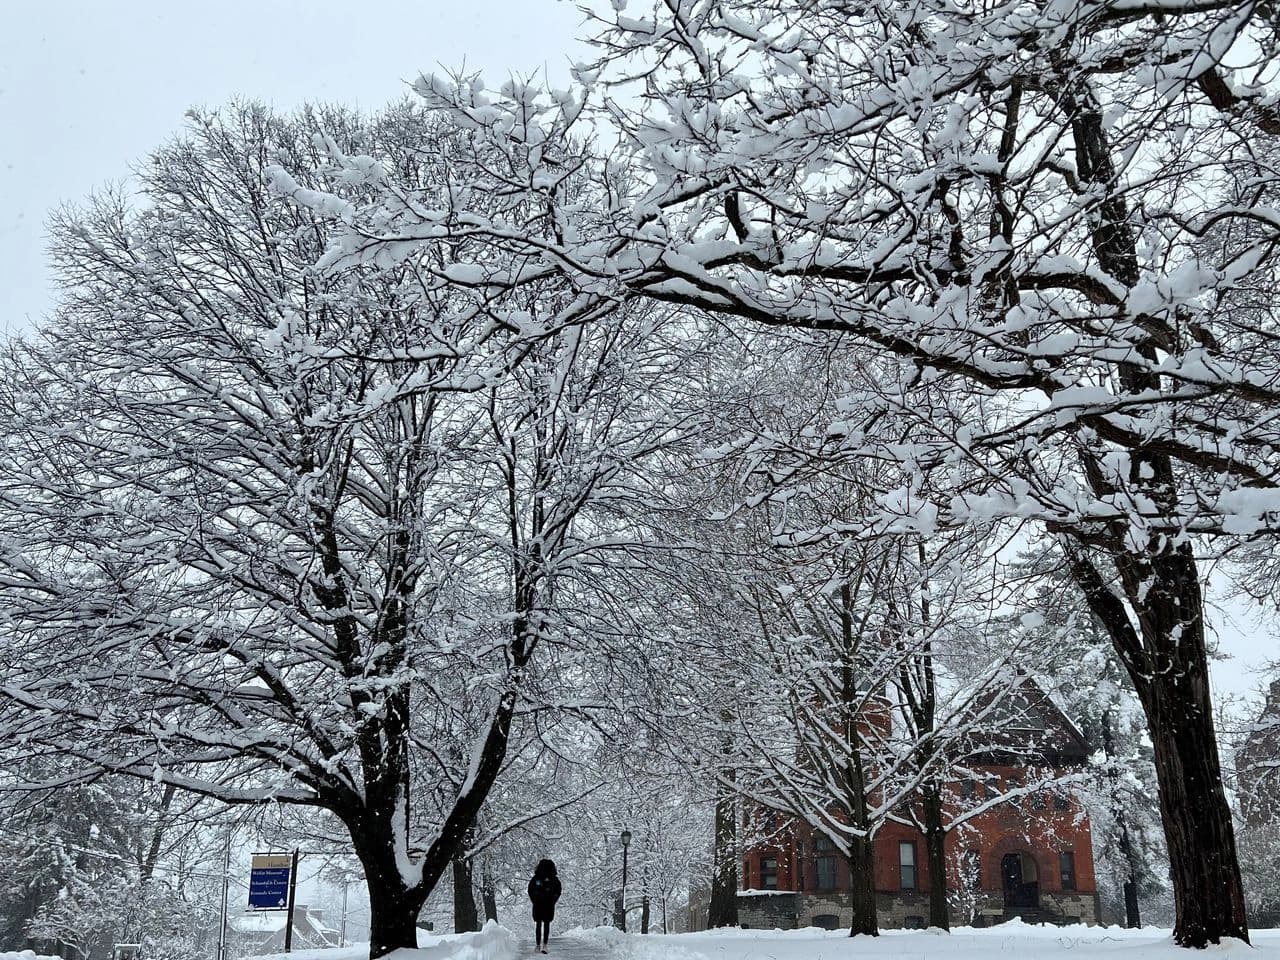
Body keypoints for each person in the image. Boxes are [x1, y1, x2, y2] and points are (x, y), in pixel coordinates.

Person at [528, 858, 562, 954]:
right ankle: (544, 945)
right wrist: (553, 900)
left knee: (539, 924)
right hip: (547, 904)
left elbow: (530, 890)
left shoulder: (536, 878)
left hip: (540, 904)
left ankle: (538, 945)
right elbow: (558, 891)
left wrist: (534, 900)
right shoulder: (553, 878)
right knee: (546, 924)